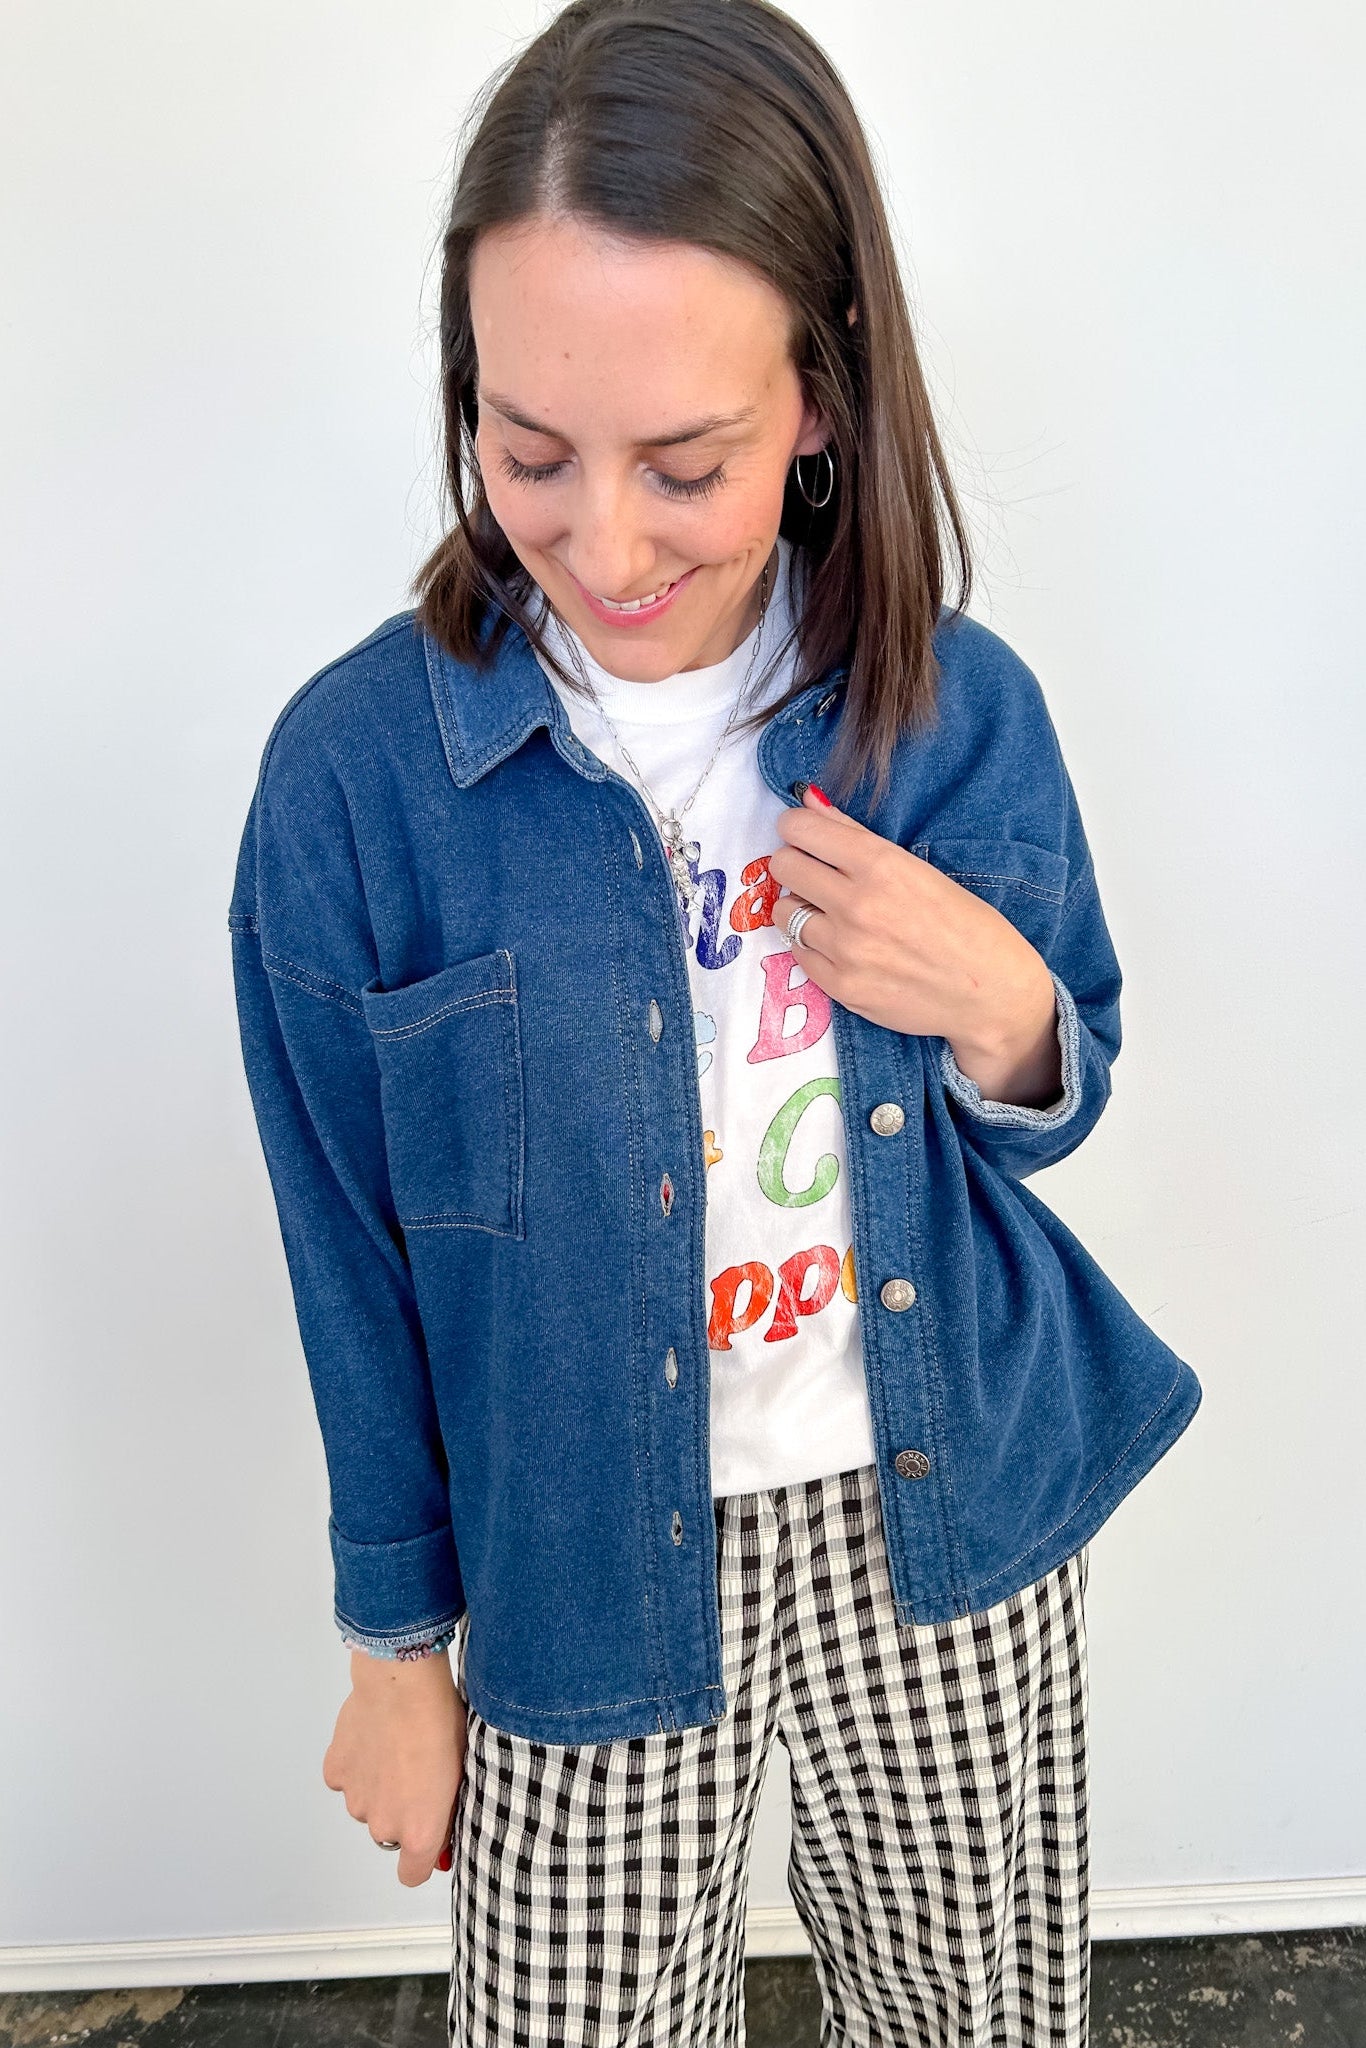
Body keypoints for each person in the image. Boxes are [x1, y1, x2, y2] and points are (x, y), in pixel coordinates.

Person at [228, 2, 1203, 2041]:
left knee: (977, 2020)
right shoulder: (353, 786)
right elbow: (347, 1249)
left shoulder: (951, 710)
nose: (600, 540)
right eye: (525, 451)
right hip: (579, 1564)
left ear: (819, 405)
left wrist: (999, 1000)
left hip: (946, 1529)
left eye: (686, 465)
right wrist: (393, 1644)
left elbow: (1052, 1080)